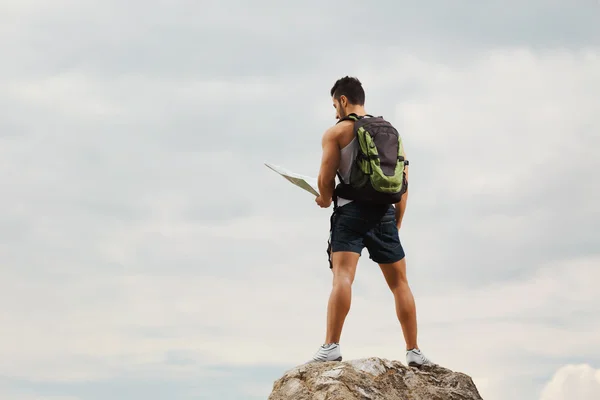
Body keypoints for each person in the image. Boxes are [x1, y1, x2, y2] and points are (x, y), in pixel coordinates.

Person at [309, 76, 433, 368]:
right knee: (400, 283)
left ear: (342, 100)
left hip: (350, 214)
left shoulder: (336, 132)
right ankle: (414, 351)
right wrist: (395, 222)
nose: (334, 111)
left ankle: (331, 347)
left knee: (343, 277)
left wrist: (324, 199)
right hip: (384, 214)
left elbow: (325, 181)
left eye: (334, 105)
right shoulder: (389, 131)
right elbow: (402, 183)